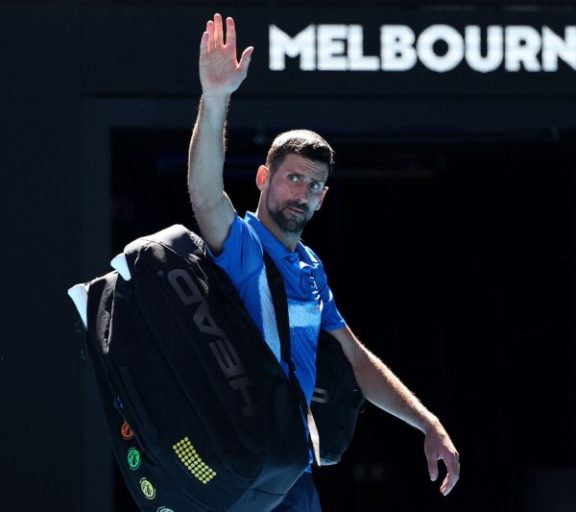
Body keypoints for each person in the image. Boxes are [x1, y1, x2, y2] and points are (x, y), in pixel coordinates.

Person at [187, 13, 460, 511]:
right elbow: (206, 196)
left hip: (293, 472)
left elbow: (356, 360)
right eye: (293, 178)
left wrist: (428, 423)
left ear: (323, 197)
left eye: (314, 186)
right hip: (242, 471)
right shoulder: (242, 245)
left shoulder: (311, 268)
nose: (302, 193)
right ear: (264, 177)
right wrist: (216, 97)